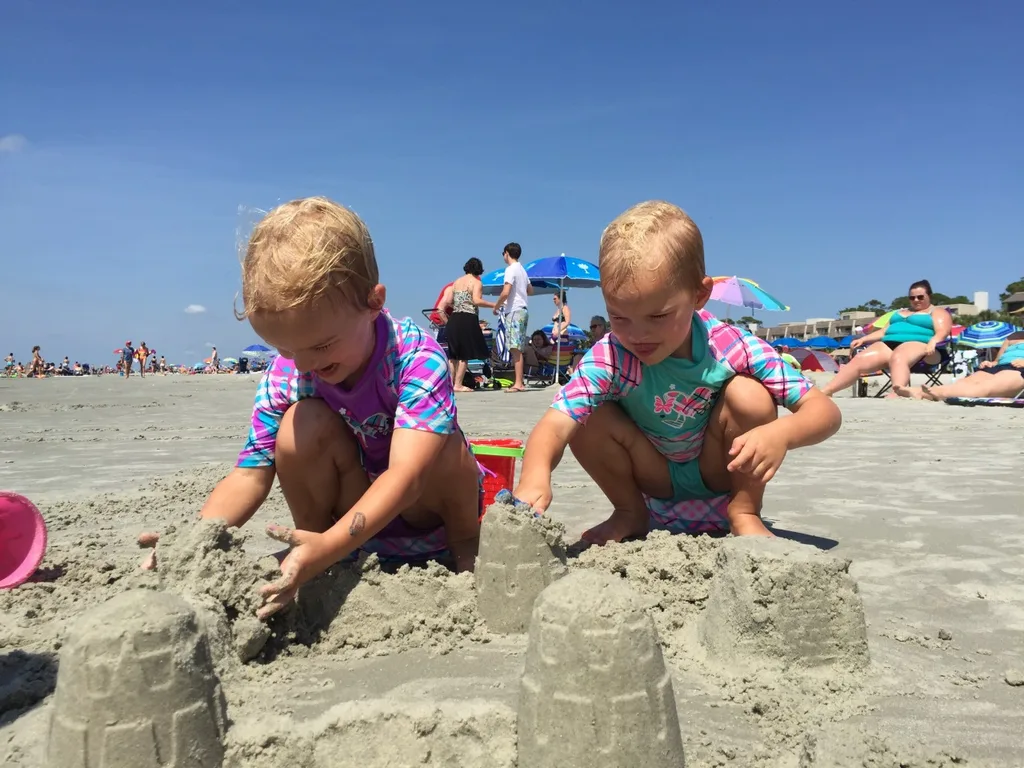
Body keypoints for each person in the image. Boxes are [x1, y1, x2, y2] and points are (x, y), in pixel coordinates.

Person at [139, 196, 483, 620]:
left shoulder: (414, 358)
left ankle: (469, 553)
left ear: (374, 302)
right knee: (300, 423)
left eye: (321, 346)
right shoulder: (291, 371)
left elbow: (407, 477)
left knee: (443, 447)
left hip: (433, 522)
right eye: (284, 347)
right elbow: (249, 474)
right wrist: (194, 538)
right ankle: (319, 549)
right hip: (352, 527)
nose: (304, 364)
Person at [512, 201, 842, 544]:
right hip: (653, 475)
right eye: (619, 317)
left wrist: (781, 435)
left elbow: (825, 413)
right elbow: (554, 424)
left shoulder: (727, 346)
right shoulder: (609, 356)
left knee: (750, 395)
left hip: (720, 469)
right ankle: (629, 512)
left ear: (699, 295)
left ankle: (744, 512)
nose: (637, 335)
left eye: (657, 317)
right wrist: (535, 476)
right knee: (585, 416)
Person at [820, 280, 951, 397]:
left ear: (929, 296)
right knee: (859, 359)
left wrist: (933, 341)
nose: (916, 300)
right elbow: (884, 331)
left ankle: (898, 392)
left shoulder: (937, 312)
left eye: (920, 297)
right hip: (888, 344)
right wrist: (864, 339)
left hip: (923, 346)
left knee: (899, 355)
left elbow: (942, 331)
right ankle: (827, 390)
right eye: (912, 297)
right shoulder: (898, 313)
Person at [895, 332, 1024, 401]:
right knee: (965, 382)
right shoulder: (1012, 337)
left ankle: (931, 393)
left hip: (1020, 369)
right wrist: (991, 363)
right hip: (1000, 366)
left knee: (983, 388)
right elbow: (997, 360)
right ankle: (923, 392)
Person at [445, 258, 495, 392]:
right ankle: (458, 384)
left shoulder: (456, 282)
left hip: (454, 318)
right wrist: (493, 305)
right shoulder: (476, 282)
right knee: (464, 354)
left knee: (453, 355)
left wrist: (459, 304)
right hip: (468, 318)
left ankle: (450, 384)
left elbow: (449, 301)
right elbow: (477, 300)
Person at [492, 242, 533, 392]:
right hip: (523, 309)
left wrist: (496, 307)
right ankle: (519, 382)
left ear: (507, 253)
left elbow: (505, 291)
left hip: (514, 310)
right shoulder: (522, 270)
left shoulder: (510, 269)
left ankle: (518, 383)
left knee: (514, 348)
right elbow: (530, 290)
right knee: (518, 348)